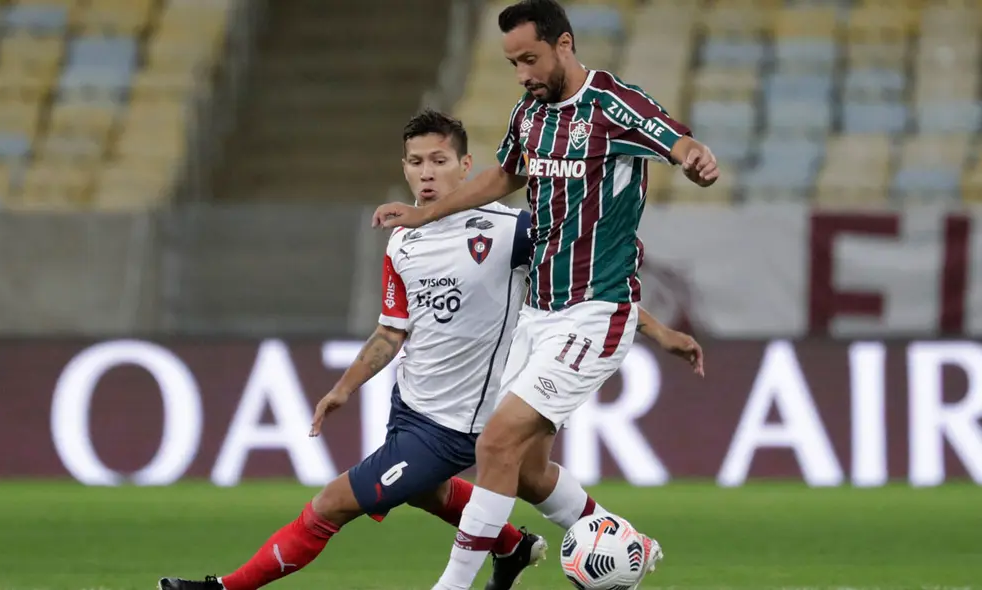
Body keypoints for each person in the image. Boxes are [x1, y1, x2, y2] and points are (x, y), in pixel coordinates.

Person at [160, 106, 703, 590]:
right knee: (497, 483)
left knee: (331, 505)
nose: (426, 172)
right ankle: (521, 546)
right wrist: (342, 390)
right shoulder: (404, 240)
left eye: (439, 160)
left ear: (466, 168)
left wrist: (658, 333)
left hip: (459, 425)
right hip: (412, 406)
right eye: (415, 161)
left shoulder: (512, 230)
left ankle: (224, 589)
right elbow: (392, 331)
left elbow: (581, 284)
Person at [370, 2, 719, 590]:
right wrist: (426, 215)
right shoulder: (530, 113)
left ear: (564, 44)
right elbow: (502, 175)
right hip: (539, 314)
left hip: (595, 312)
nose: (523, 74)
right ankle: (623, 542)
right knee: (528, 471)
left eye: (530, 59)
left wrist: (693, 158)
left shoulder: (611, 104)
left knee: (497, 439)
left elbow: (674, 139)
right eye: (512, 63)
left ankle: (452, 586)